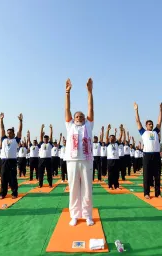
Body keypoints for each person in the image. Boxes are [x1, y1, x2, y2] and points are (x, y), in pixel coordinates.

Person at [64, 78, 95, 226]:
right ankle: (75, 215)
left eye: (81, 116)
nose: (79, 118)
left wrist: (89, 92)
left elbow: (90, 109)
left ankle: (88, 215)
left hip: (86, 160)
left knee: (87, 189)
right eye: (77, 116)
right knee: (74, 189)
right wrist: (67, 93)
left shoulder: (88, 126)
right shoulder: (70, 126)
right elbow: (67, 110)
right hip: (72, 160)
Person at [134, 102, 162, 199]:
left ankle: (158, 193)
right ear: (146, 125)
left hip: (156, 155)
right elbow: (138, 122)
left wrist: (160, 110)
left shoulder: (155, 131)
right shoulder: (143, 132)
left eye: (151, 124)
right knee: (146, 175)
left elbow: (159, 122)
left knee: (157, 175)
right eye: (149, 124)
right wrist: (136, 110)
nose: (151, 125)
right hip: (147, 155)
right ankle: (146, 193)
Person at [0, 112, 22, 199]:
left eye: (10, 133)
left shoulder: (16, 140)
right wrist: (1, 120)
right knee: (3, 178)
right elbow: (2, 129)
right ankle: (2, 194)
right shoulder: (4, 139)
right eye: (8, 133)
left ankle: (14, 193)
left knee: (13, 178)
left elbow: (20, 131)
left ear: (13, 133)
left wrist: (20, 121)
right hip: (4, 161)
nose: (8, 134)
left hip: (12, 161)